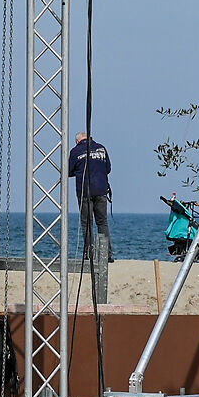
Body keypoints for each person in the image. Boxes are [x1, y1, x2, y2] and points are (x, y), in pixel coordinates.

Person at [67, 131, 113, 306]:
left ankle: (89, 253)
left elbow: (69, 171)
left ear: (78, 141)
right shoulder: (101, 148)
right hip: (101, 190)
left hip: (84, 191)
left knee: (87, 224)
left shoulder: (75, 151)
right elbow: (108, 169)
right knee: (102, 223)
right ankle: (107, 254)